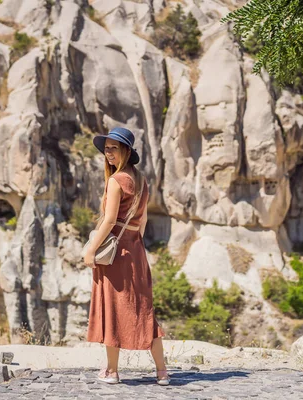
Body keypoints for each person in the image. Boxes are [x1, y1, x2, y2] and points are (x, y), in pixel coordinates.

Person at [83, 127, 170, 386]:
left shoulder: (116, 180)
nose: (108, 153)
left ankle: (111, 371)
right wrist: (134, 245)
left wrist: (90, 250)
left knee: (113, 308)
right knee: (143, 310)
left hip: (117, 255)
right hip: (136, 251)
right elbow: (141, 224)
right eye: (106, 148)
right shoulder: (142, 181)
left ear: (126, 151)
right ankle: (162, 372)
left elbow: (109, 220)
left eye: (114, 148)